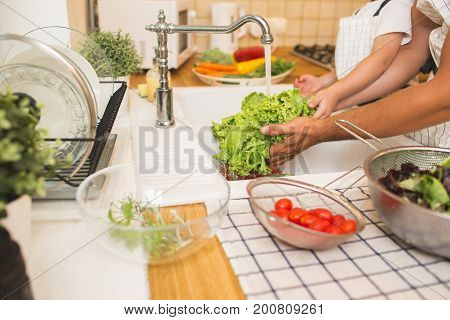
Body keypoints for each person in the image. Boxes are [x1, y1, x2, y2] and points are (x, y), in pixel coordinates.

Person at [262, 0, 450, 167]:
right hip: (410, 126)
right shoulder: (367, 9)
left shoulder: (397, 6)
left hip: (389, 114)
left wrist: (334, 96)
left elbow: (381, 60)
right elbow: (404, 55)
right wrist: (328, 87)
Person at [295, 0, 415, 119]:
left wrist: (334, 92)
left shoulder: (397, 6)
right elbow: (354, 65)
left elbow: (381, 60)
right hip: (352, 104)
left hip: (377, 109)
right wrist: (323, 82)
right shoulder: (363, 10)